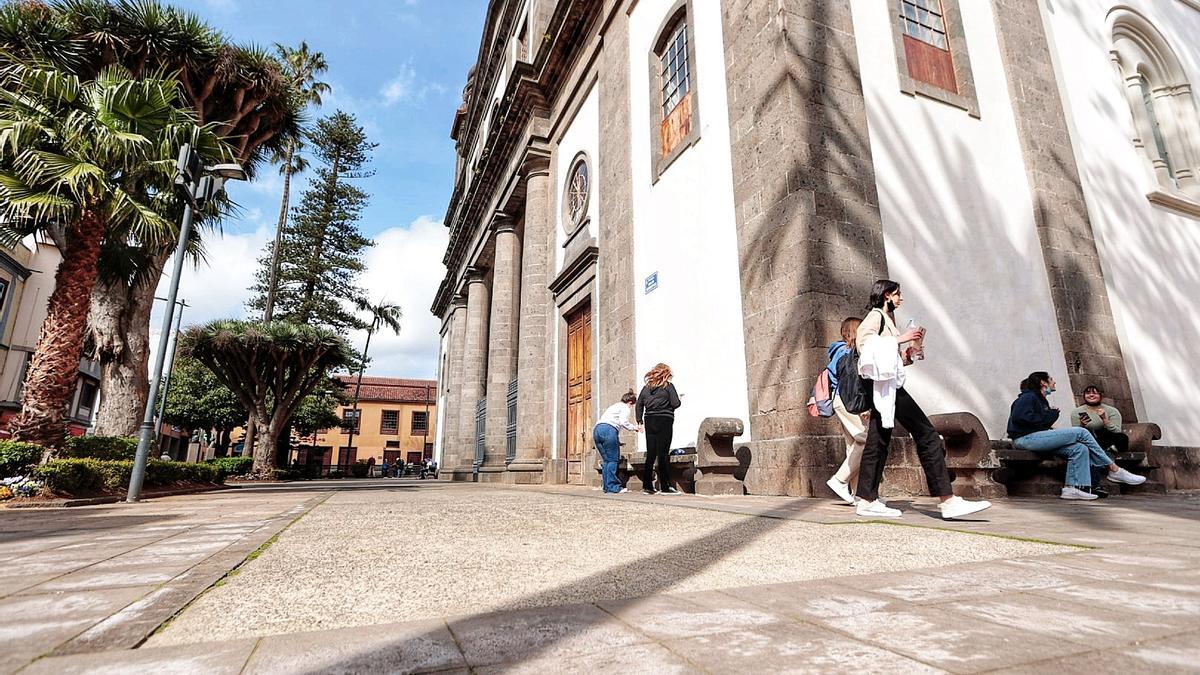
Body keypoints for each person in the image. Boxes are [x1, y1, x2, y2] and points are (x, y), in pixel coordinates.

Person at [854, 280, 992, 520]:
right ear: (887, 295)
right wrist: (902, 338)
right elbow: (864, 343)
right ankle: (947, 500)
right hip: (886, 387)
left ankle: (866, 499)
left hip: (886, 387)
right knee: (926, 434)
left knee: (878, 442)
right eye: (898, 295)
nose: (901, 299)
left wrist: (909, 354)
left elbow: (888, 358)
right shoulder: (876, 316)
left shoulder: (887, 320)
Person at [1008, 372, 1146, 500]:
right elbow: (1020, 418)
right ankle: (1113, 469)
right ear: (1043, 383)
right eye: (1051, 380)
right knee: (1081, 432)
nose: (1054, 382)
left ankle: (1073, 488)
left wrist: (1050, 415)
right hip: (1024, 439)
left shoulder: (1040, 400)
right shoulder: (1028, 396)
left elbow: (1040, 423)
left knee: (1079, 448)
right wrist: (1050, 415)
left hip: (1036, 438)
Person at [825, 317, 870, 505]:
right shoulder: (849, 352)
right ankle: (839, 480)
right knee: (866, 440)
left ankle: (857, 494)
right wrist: (865, 405)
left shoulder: (838, 351)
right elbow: (854, 382)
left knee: (853, 446)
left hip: (840, 400)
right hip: (850, 401)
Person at [636, 363, 682, 495]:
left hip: (649, 420)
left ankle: (647, 486)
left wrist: (639, 420)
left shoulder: (646, 388)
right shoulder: (668, 386)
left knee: (651, 453)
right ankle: (665, 487)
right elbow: (675, 403)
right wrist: (679, 401)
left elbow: (639, 404)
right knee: (663, 453)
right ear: (665, 373)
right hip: (664, 420)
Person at [595, 390, 642, 494]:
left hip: (597, 430)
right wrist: (635, 428)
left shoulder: (614, 406)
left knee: (607, 460)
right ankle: (613, 487)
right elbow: (623, 422)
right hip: (609, 430)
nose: (631, 407)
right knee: (612, 460)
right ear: (630, 402)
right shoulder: (625, 408)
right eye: (632, 405)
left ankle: (606, 487)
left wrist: (616, 440)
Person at [1071, 384, 1129, 455]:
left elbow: (1117, 431)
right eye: (1088, 393)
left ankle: (1110, 449)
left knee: (1122, 438)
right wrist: (1082, 425)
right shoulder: (1077, 412)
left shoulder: (1112, 411)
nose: (1091, 395)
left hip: (1107, 438)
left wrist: (1104, 419)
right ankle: (1105, 450)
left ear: (1100, 395)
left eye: (1095, 393)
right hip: (1089, 439)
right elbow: (1076, 434)